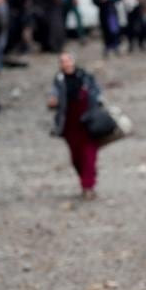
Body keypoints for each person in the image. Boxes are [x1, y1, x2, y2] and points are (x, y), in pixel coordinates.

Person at [47, 53, 102, 200]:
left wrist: (94, 103)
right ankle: (87, 178)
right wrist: (52, 102)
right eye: (63, 61)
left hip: (88, 122)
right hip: (69, 124)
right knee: (76, 157)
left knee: (89, 154)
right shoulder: (59, 80)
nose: (66, 64)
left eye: (68, 60)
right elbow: (53, 95)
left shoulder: (85, 76)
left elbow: (97, 92)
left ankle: (88, 185)